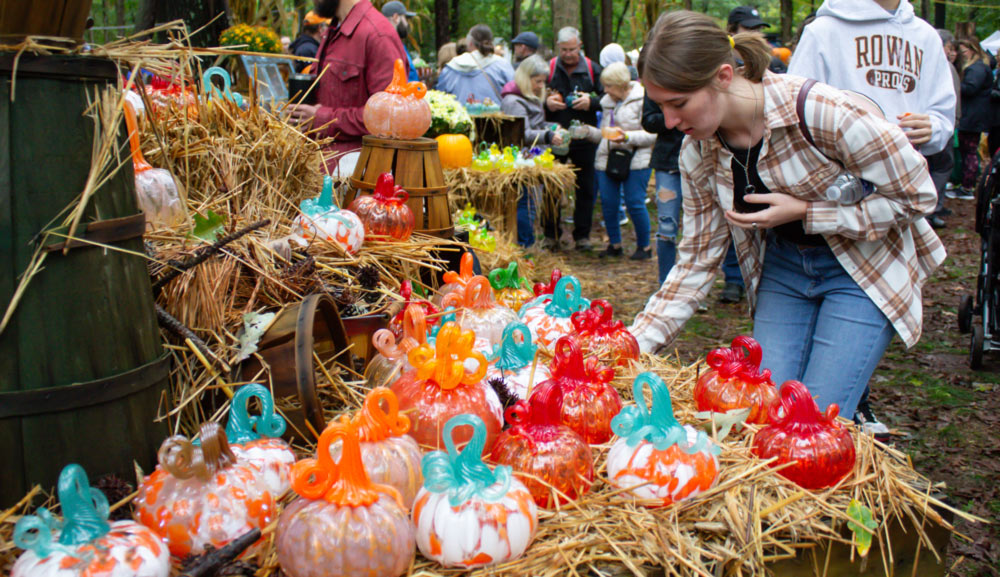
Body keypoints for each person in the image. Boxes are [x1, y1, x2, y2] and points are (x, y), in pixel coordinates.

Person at [629, 11, 944, 421]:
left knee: (811, 423)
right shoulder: (699, 154)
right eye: (661, 106)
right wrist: (631, 345)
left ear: (724, 76)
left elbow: (918, 196)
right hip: (785, 270)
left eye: (679, 104)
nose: (669, 122)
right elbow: (696, 261)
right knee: (766, 415)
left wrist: (810, 213)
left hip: (861, 269)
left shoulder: (818, 111)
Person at [787, 0, 956, 435]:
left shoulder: (923, 36)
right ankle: (834, 413)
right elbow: (794, 109)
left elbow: (942, 116)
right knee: (792, 380)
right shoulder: (824, 30)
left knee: (851, 340)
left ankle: (847, 405)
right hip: (829, 201)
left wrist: (931, 127)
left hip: (892, 206)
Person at [286, 0, 409, 174]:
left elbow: (389, 117)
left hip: (356, 180)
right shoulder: (334, 30)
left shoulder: (377, 34)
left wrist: (322, 119)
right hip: (324, 171)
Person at [586, 62, 655, 259]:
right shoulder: (608, 102)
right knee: (608, 203)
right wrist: (588, 132)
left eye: (609, 85)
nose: (605, 90)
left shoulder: (643, 100)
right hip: (608, 158)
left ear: (620, 84)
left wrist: (627, 137)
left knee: (635, 202)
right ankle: (614, 245)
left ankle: (644, 247)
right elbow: (604, 134)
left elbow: (652, 135)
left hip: (636, 159)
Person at [544, 26, 604, 251]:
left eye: (572, 49)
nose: (568, 54)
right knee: (552, 187)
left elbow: (609, 97)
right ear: (558, 47)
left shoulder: (592, 69)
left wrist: (592, 102)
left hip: (583, 137)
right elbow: (533, 94)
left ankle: (582, 236)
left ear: (580, 46)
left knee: (585, 187)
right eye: (564, 50)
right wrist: (546, 103)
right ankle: (550, 235)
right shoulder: (550, 68)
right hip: (556, 135)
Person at [500, 55, 566, 247]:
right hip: (522, 161)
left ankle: (527, 244)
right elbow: (522, 133)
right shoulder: (514, 101)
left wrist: (552, 127)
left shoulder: (528, 97)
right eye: (538, 81)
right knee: (526, 205)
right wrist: (547, 135)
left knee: (531, 205)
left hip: (532, 159)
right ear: (525, 78)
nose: (541, 86)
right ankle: (524, 246)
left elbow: (535, 124)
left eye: (542, 81)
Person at [642, 93, 685, 284]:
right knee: (667, 227)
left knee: (699, 231)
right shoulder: (658, 79)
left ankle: (693, 287)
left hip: (704, 162)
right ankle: (666, 285)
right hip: (668, 162)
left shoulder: (700, 72)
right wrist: (676, 113)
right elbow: (649, 121)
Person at [953, 38, 993, 199]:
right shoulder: (978, 67)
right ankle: (965, 184)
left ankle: (967, 187)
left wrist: (953, 84)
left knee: (969, 151)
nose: (961, 55)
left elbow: (970, 88)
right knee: (967, 151)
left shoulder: (977, 69)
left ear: (973, 50)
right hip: (973, 116)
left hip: (972, 117)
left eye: (963, 52)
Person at [437, 25, 514, 105]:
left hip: (460, 116)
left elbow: (440, 97)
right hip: (495, 116)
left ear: (470, 43)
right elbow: (513, 92)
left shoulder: (451, 66)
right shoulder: (502, 65)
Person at [727, 6, 787, 74]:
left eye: (759, 29)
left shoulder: (774, 65)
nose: (756, 34)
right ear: (731, 31)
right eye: (750, 29)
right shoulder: (722, 64)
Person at [380, 0, 420, 82]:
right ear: (396, 17)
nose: (407, 24)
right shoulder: (388, 45)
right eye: (405, 19)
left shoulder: (396, 43)